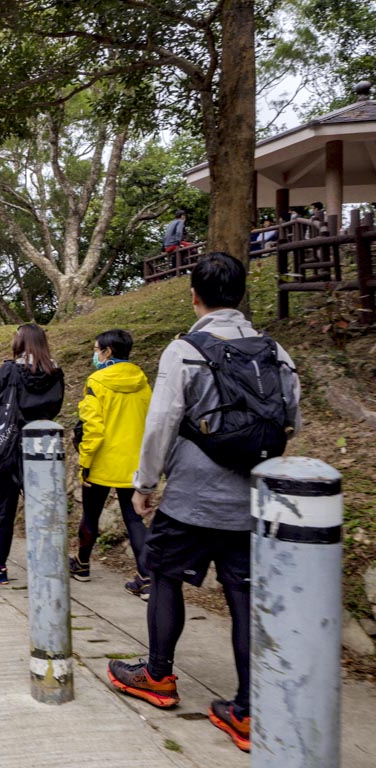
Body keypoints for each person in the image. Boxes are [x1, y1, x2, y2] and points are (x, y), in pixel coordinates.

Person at [107, 253, 301, 754]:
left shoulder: (184, 349)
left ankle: (158, 677)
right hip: (250, 500)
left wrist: (145, 484)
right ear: (241, 294)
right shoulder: (275, 351)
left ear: (194, 295)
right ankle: (247, 710)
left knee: (164, 576)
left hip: (191, 497)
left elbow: (163, 421)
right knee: (243, 599)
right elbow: (290, 419)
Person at [68, 330, 152, 599]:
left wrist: (85, 462)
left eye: (96, 349)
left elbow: (93, 427)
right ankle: (147, 578)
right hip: (133, 463)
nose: (94, 354)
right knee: (134, 519)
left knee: (90, 515)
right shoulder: (143, 381)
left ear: (108, 352)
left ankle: (82, 566)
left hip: (102, 462)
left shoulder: (97, 381)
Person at [0, 324, 64, 584]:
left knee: (5, 508)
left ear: (20, 343)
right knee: (41, 509)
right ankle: (45, 567)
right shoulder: (55, 372)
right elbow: (56, 407)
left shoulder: (10, 370)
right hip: (42, 448)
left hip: (10, 445)